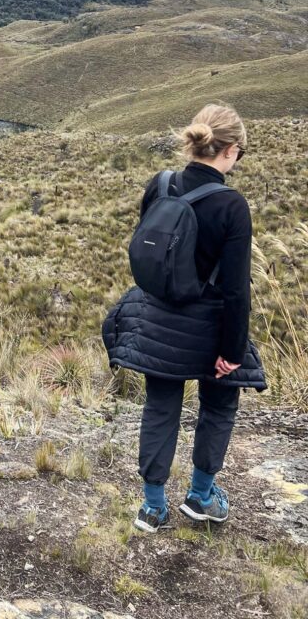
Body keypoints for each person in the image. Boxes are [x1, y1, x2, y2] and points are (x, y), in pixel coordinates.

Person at [102, 103, 266, 533]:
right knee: (219, 405)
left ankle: (152, 507)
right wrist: (233, 351)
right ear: (230, 150)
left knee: (160, 407)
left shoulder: (161, 185)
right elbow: (236, 289)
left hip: (159, 321)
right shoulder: (232, 205)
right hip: (211, 327)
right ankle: (201, 497)